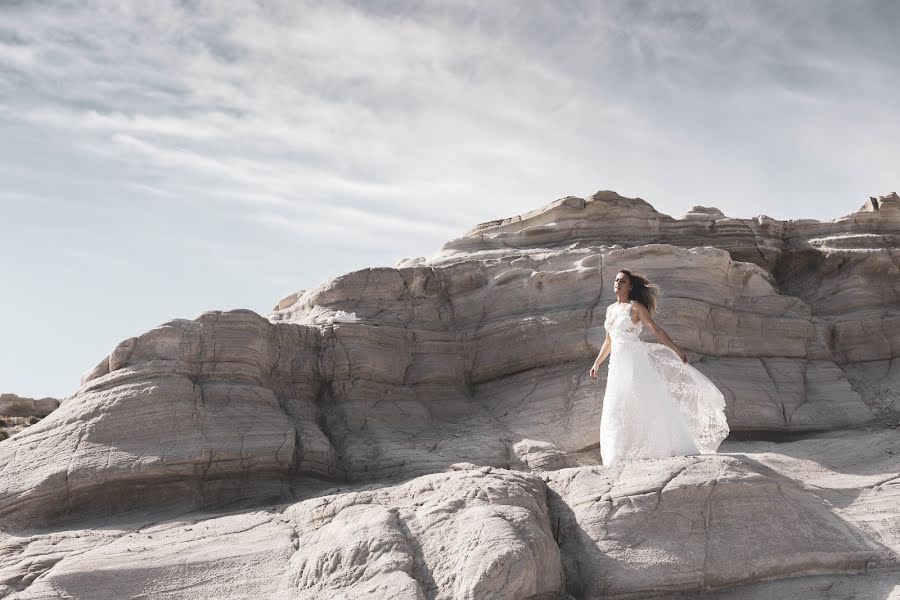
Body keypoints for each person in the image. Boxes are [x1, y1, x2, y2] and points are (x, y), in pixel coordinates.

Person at [589, 269, 729, 464]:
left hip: (635, 364)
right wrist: (597, 363)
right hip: (617, 366)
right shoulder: (610, 309)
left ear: (630, 286)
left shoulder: (635, 307)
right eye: (616, 280)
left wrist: (676, 350)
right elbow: (609, 340)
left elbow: (656, 330)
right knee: (617, 404)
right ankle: (617, 455)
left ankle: (660, 447)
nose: (618, 284)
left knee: (643, 402)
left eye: (622, 281)